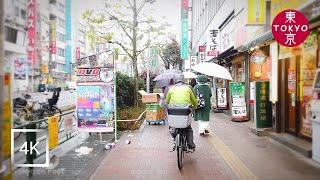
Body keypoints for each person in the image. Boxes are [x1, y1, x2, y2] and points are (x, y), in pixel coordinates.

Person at [166, 74, 198, 151]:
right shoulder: (188, 88)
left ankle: (174, 136)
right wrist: (194, 106)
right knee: (188, 128)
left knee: (173, 125)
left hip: (173, 111)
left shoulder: (170, 89)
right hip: (185, 111)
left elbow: (167, 101)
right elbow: (194, 101)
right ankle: (190, 144)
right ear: (183, 80)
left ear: (175, 80)